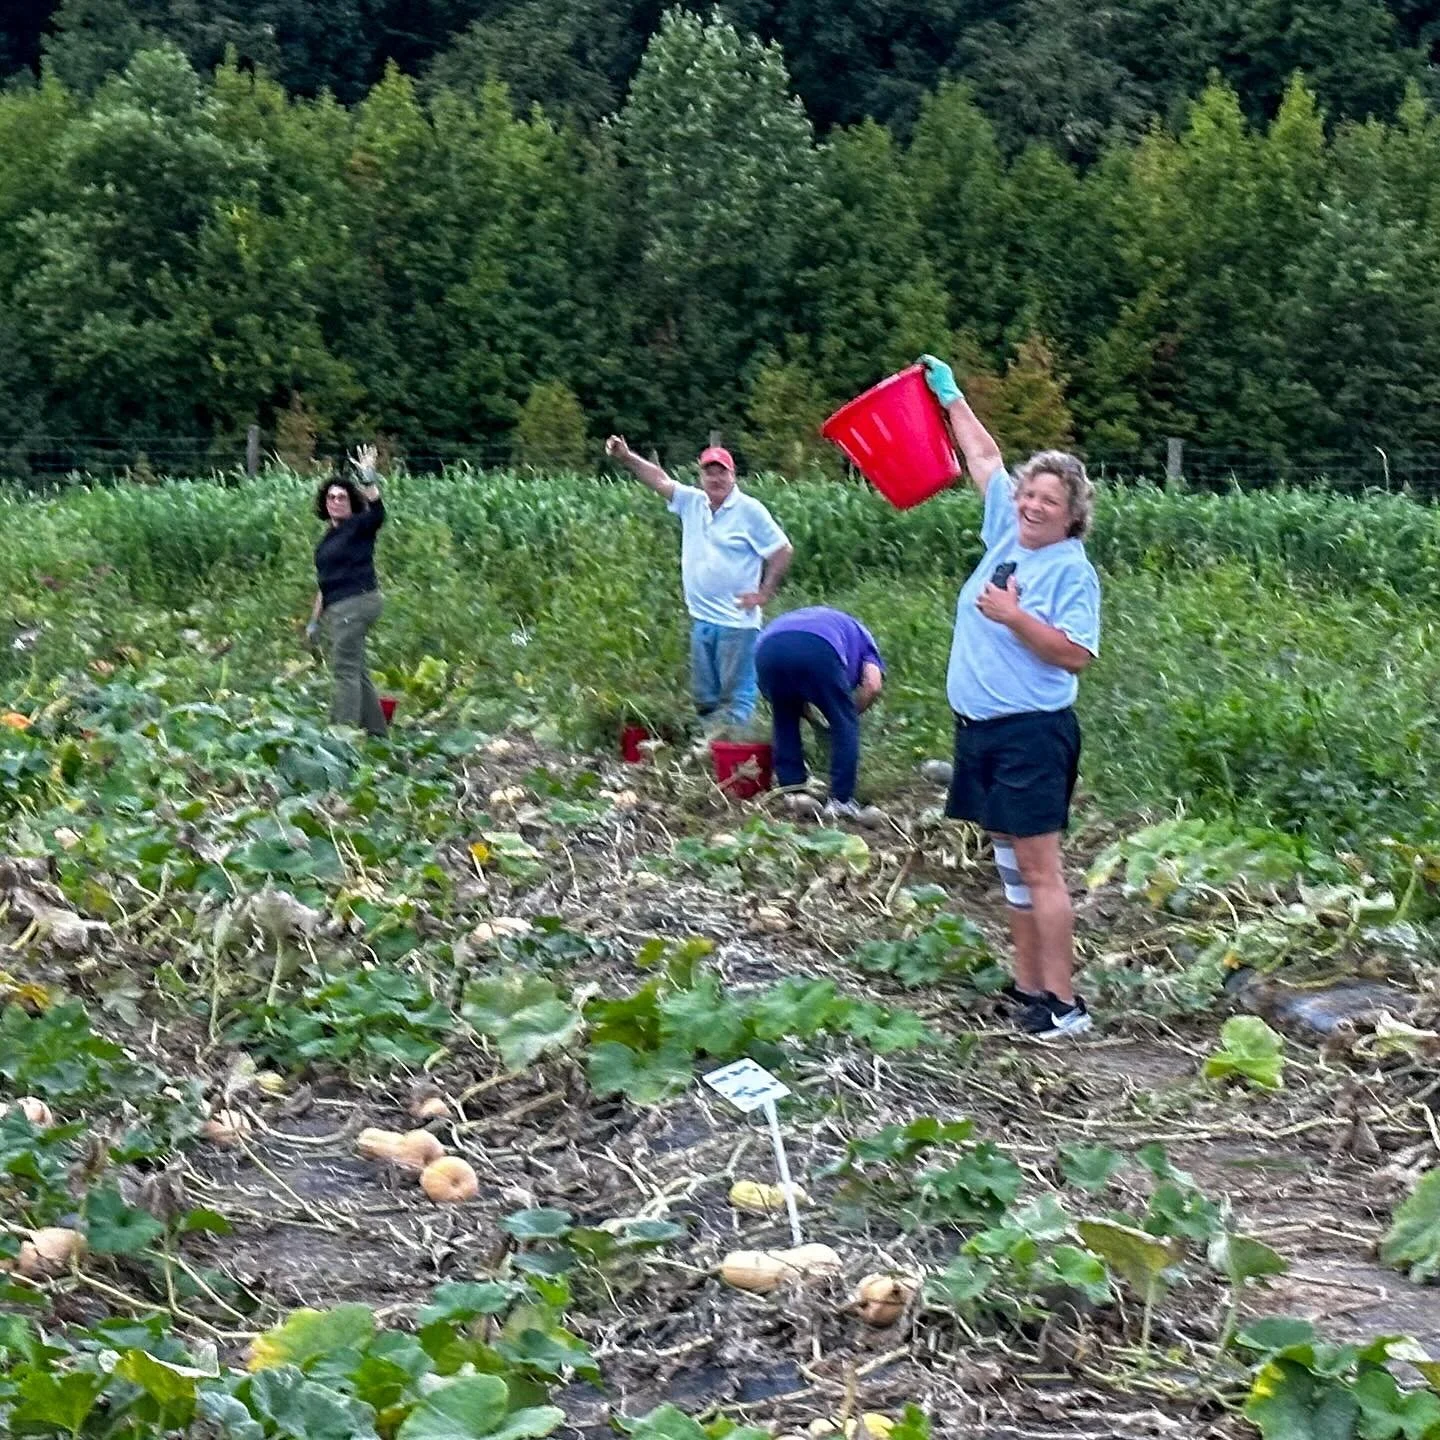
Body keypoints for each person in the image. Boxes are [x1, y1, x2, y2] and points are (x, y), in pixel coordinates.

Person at [920, 353, 1100, 1041]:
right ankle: (1028, 988)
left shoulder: (1070, 570)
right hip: (982, 729)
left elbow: (1076, 653)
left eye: (1048, 501)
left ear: (1071, 516)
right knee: (1009, 868)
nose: (1031, 505)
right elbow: (985, 457)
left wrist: (1015, 617)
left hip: (1031, 733)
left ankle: (1065, 1003)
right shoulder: (1006, 535)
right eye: (1029, 493)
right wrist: (950, 397)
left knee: (1040, 869)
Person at [605, 436, 793, 731]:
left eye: (722, 472)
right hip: (702, 619)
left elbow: (782, 550)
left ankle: (736, 749)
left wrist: (764, 593)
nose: (715, 479)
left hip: (736, 623)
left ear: (733, 475)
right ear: (701, 476)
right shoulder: (692, 502)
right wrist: (626, 457)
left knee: (736, 700)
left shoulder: (750, 510)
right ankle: (708, 748)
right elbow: (659, 479)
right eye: (709, 472)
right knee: (706, 698)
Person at [756, 607, 884, 818]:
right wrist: (846, 716)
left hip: (767, 650)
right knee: (845, 723)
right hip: (819, 648)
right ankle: (841, 801)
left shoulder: (835, 624)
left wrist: (814, 719)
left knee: (785, 715)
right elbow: (872, 685)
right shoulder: (866, 642)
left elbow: (793, 698)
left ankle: (793, 792)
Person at [307, 445, 388, 737]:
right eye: (331, 497)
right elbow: (324, 583)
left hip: (357, 601)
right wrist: (314, 621)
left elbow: (378, 513)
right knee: (357, 670)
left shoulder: (358, 526)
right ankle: (378, 734)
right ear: (324, 502)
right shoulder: (329, 537)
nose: (336, 501)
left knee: (344, 671)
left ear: (351, 502)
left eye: (342, 497)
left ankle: (340, 736)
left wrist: (368, 479)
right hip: (339, 605)